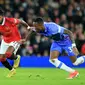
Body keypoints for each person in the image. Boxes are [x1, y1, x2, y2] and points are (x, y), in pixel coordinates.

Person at [0, 8, 30, 77]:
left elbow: (21, 21)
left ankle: (16, 58)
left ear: (1, 16)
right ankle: (12, 70)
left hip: (15, 39)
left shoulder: (9, 21)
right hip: (5, 40)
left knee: (8, 54)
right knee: (1, 58)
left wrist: (28, 27)